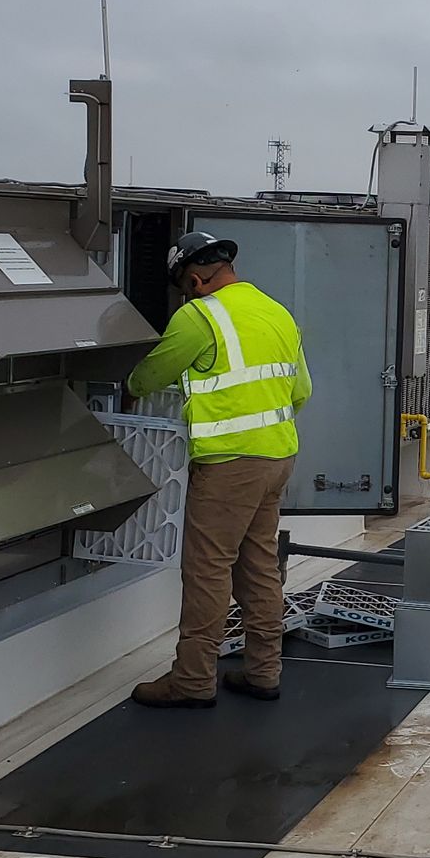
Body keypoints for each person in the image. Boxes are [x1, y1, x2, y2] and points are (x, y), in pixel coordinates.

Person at [124, 230, 313, 708]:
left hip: (229, 463)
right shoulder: (277, 312)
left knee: (208, 571)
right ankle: (264, 672)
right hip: (278, 457)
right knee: (259, 566)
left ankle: (191, 681)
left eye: (183, 287)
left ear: (193, 278)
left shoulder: (198, 316)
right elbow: (300, 393)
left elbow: (149, 375)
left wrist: (124, 387)